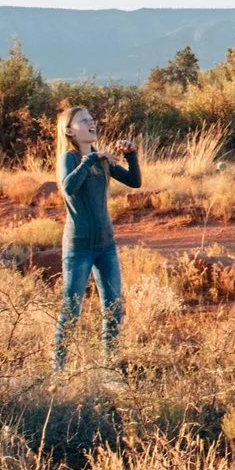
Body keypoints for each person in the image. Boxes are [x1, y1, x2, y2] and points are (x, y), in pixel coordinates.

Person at [52, 105, 141, 374]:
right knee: (71, 310)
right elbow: (68, 187)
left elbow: (134, 182)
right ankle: (58, 371)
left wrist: (131, 156)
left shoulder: (101, 160)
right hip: (78, 248)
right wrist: (90, 159)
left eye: (92, 118)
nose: (91, 122)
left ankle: (110, 368)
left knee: (113, 308)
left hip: (106, 246)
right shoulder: (69, 158)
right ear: (69, 131)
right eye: (83, 120)